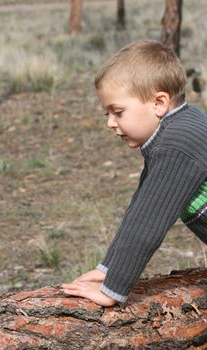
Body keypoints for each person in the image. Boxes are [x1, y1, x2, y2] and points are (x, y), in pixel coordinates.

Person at [62, 40, 207, 306]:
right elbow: (141, 208)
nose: (110, 123)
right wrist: (107, 268)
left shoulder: (177, 146)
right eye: (107, 113)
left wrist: (112, 290)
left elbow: (148, 224)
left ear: (159, 102)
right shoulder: (179, 127)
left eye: (118, 112)